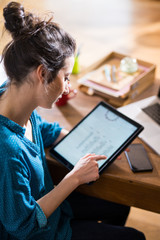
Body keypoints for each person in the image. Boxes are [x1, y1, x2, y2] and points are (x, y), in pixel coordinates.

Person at [0, 2, 146, 240]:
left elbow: (43, 130)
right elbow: (23, 226)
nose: (68, 86)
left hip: (55, 210)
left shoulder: (11, 94)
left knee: (120, 204)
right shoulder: (7, 149)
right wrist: (74, 178)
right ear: (42, 74)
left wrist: (89, 141)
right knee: (134, 237)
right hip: (40, 233)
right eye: (66, 77)